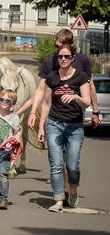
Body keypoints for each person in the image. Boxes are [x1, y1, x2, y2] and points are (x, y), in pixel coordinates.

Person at [37, 44, 91, 213]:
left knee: (72, 166)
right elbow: (46, 104)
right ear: (57, 59)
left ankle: (73, 188)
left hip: (75, 127)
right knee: (56, 165)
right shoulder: (52, 79)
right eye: (60, 57)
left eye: (67, 57)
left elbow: (87, 101)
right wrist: (41, 127)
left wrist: (76, 97)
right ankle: (58, 200)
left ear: (72, 58)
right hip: (54, 125)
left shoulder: (81, 77)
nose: (63, 60)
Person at [21, 29, 100, 128]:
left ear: (72, 44)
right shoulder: (49, 62)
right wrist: (33, 112)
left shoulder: (83, 60)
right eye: (57, 46)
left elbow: (91, 86)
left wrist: (95, 112)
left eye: (64, 46)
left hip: (76, 113)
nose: (61, 51)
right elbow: (41, 90)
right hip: (54, 113)